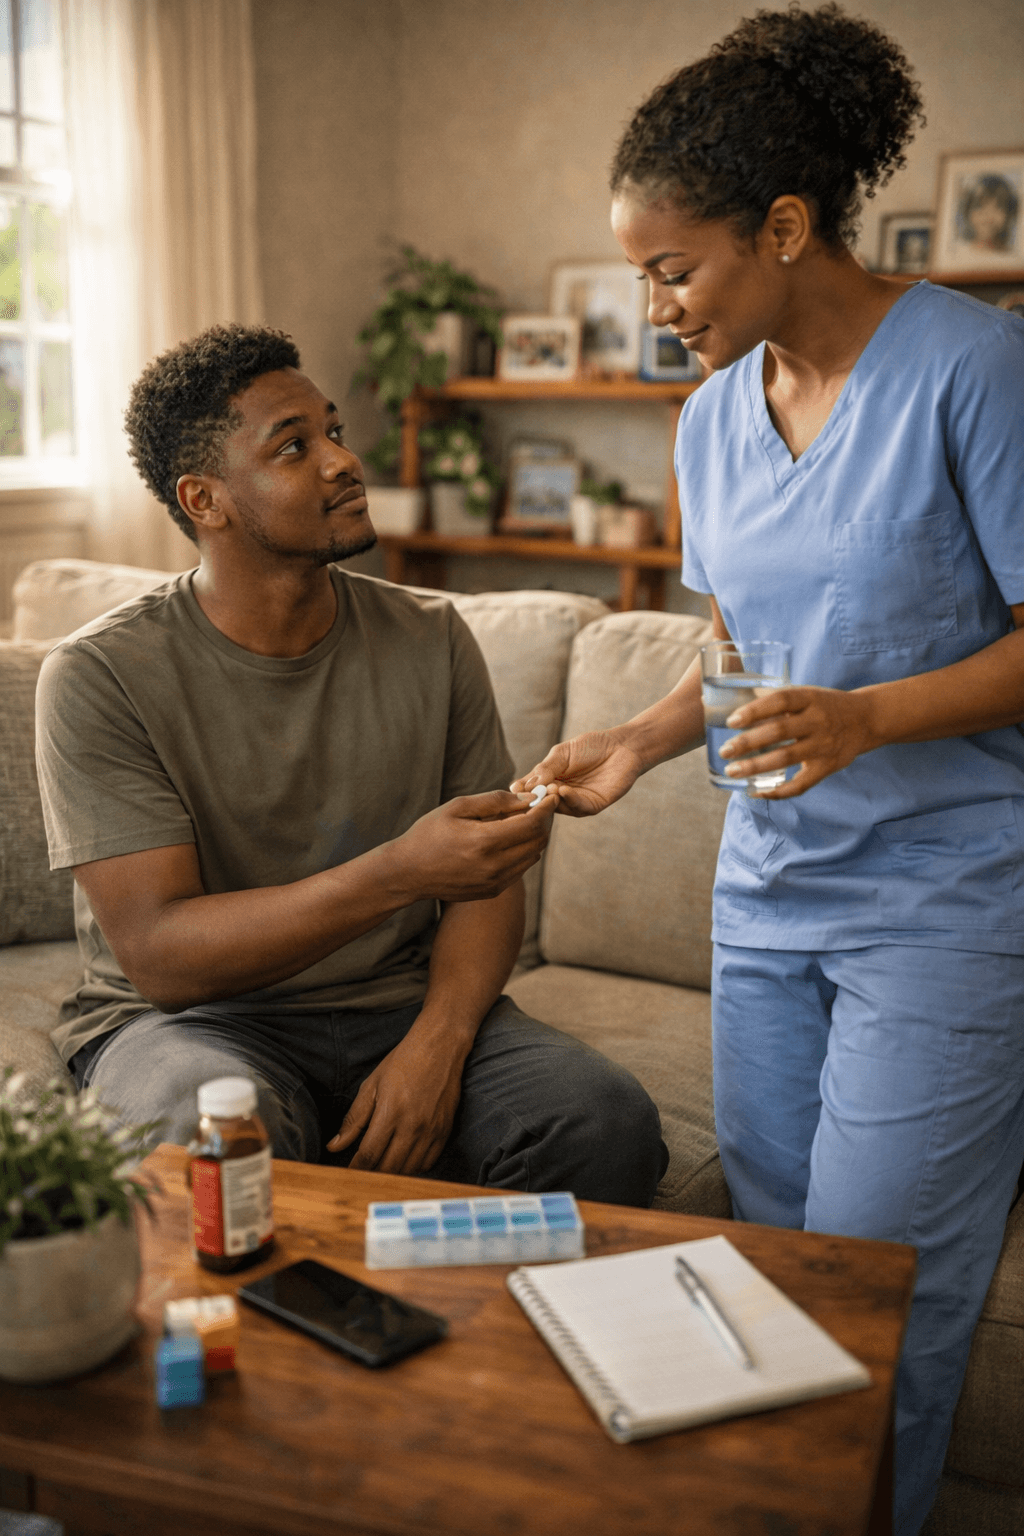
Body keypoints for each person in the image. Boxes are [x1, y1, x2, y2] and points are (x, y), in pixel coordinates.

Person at [513, 7, 1024, 1532]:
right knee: (770, 1281)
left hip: (943, 906)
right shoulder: (707, 420)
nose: (653, 303)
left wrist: (868, 719)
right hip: (768, 906)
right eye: (638, 273)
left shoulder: (977, 369)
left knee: (879, 1302)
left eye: (674, 267)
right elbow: (741, 648)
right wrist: (637, 737)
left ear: (787, 226)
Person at [34, 323, 665, 1207]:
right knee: (206, 1134)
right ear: (204, 500)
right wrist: (397, 872)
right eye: (295, 447)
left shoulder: (433, 639)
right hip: (191, 1024)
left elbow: (485, 883)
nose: (341, 461)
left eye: (334, 431)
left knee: (601, 1124)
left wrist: (438, 1043)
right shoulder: (100, 674)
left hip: (400, 1005)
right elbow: (164, 958)